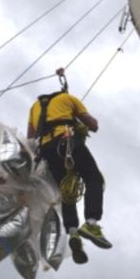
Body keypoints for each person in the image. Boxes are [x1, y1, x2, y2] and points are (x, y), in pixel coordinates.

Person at [27, 90, 111, 265]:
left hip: (46, 150)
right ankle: (91, 223)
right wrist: (79, 121)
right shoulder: (69, 98)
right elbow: (93, 125)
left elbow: (30, 137)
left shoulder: (34, 107)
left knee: (67, 191)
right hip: (66, 141)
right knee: (94, 178)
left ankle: (73, 231)